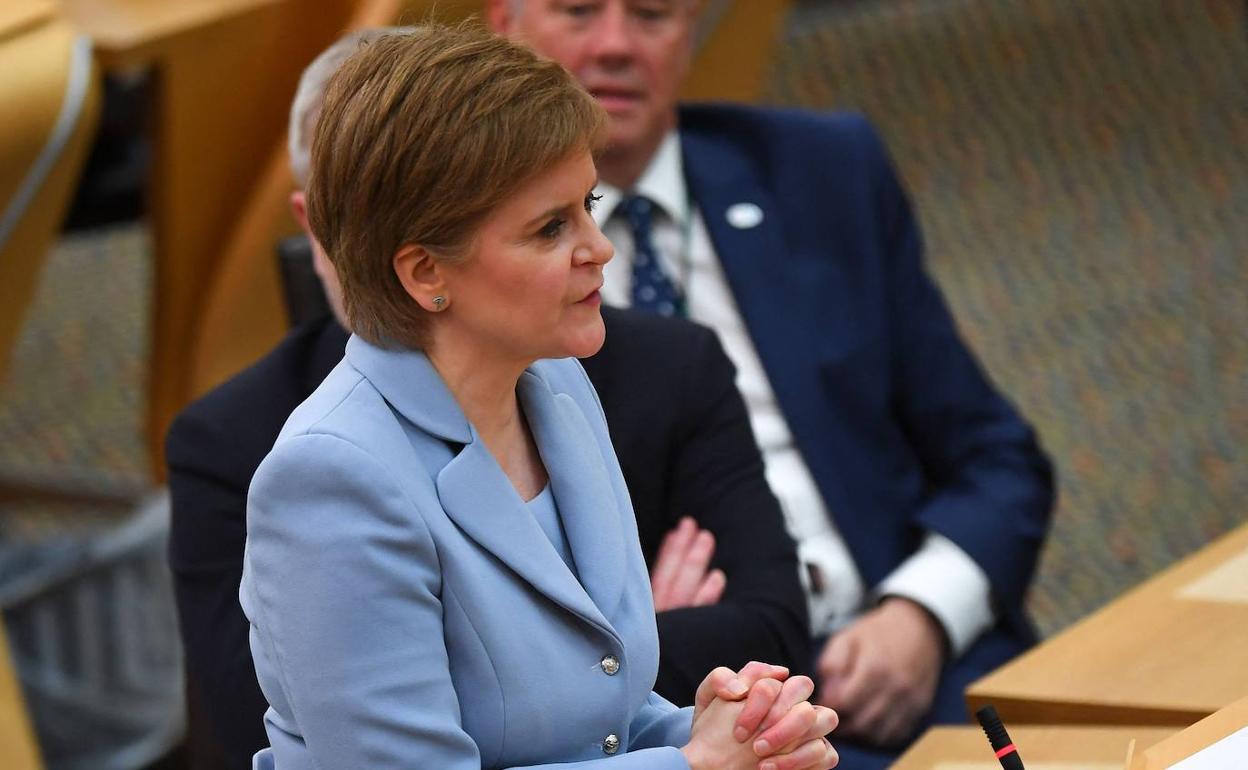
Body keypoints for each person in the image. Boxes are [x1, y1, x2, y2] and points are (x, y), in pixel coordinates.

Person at [168, 26, 810, 769]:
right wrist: (693, 765)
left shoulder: (556, 387)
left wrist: (721, 733)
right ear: (424, 274)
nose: (599, 248)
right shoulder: (330, 481)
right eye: (549, 228)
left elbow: (599, 722)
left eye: (589, 204)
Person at [485, 1, 1055, 765]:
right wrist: (640, 639)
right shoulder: (482, 263)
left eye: (652, 13)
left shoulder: (822, 171)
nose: (616, 44)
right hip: (688, 717)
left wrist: (922, 612)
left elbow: (998, 460)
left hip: (927, 660)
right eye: (580, 9)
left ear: (693, 28)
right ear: (503, 21)